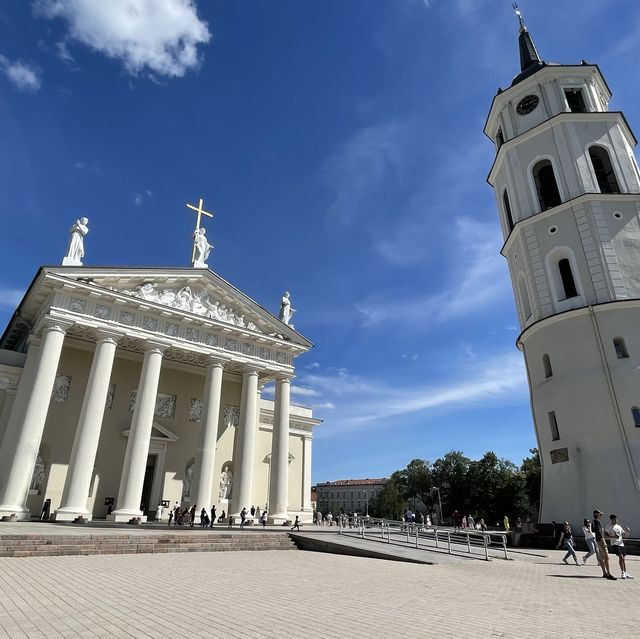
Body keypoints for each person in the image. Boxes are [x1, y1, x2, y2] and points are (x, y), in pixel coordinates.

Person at [605, 514, 633, 579]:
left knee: (623, 559)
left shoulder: (619, 526)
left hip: (621, 544)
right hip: (615, 544)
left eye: (617, 519)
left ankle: (626, 573)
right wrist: (613, 536)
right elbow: (606, 534)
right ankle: (622, 573)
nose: (616, 520)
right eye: (615, 519)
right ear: (611, 519)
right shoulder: (608, 526)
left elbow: (624, 535)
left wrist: (627, 532)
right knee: (621, 557)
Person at [593, 509, 616, 580]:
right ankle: (608, 574)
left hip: (598, 541)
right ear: (596, 514)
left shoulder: (594, 522)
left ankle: (604, 573)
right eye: (600, 514)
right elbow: (599, 532)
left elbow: (594, 531)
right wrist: (603, 541)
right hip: (600, 541)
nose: (601, 516)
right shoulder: (597, 522)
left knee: (602, 558)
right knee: (606, 558)